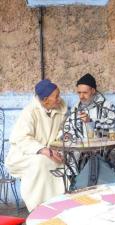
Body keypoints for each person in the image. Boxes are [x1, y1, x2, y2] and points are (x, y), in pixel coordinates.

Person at [5, 79, 67, 211]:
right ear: (45, 100)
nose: (59, 99)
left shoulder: (60, 106)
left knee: (61, 162)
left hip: (47, 151)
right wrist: (43, 150)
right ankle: (38, 208)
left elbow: (62, 131)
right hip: (23, 154)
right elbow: (21, 138)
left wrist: (58, 145)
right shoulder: (30, 112)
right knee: (40, 163)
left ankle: (58, 205)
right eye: (56, 96)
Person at [65, 73, 115, 140]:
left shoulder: (106, 106)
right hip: (80, 148)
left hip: (101, 148)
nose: (81, 97)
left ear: (93, 91)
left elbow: (113, 125)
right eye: (79, 93)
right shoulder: (75, 108)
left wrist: (90, 121)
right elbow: (68, 128)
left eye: (85, 93)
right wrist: (68, 135)